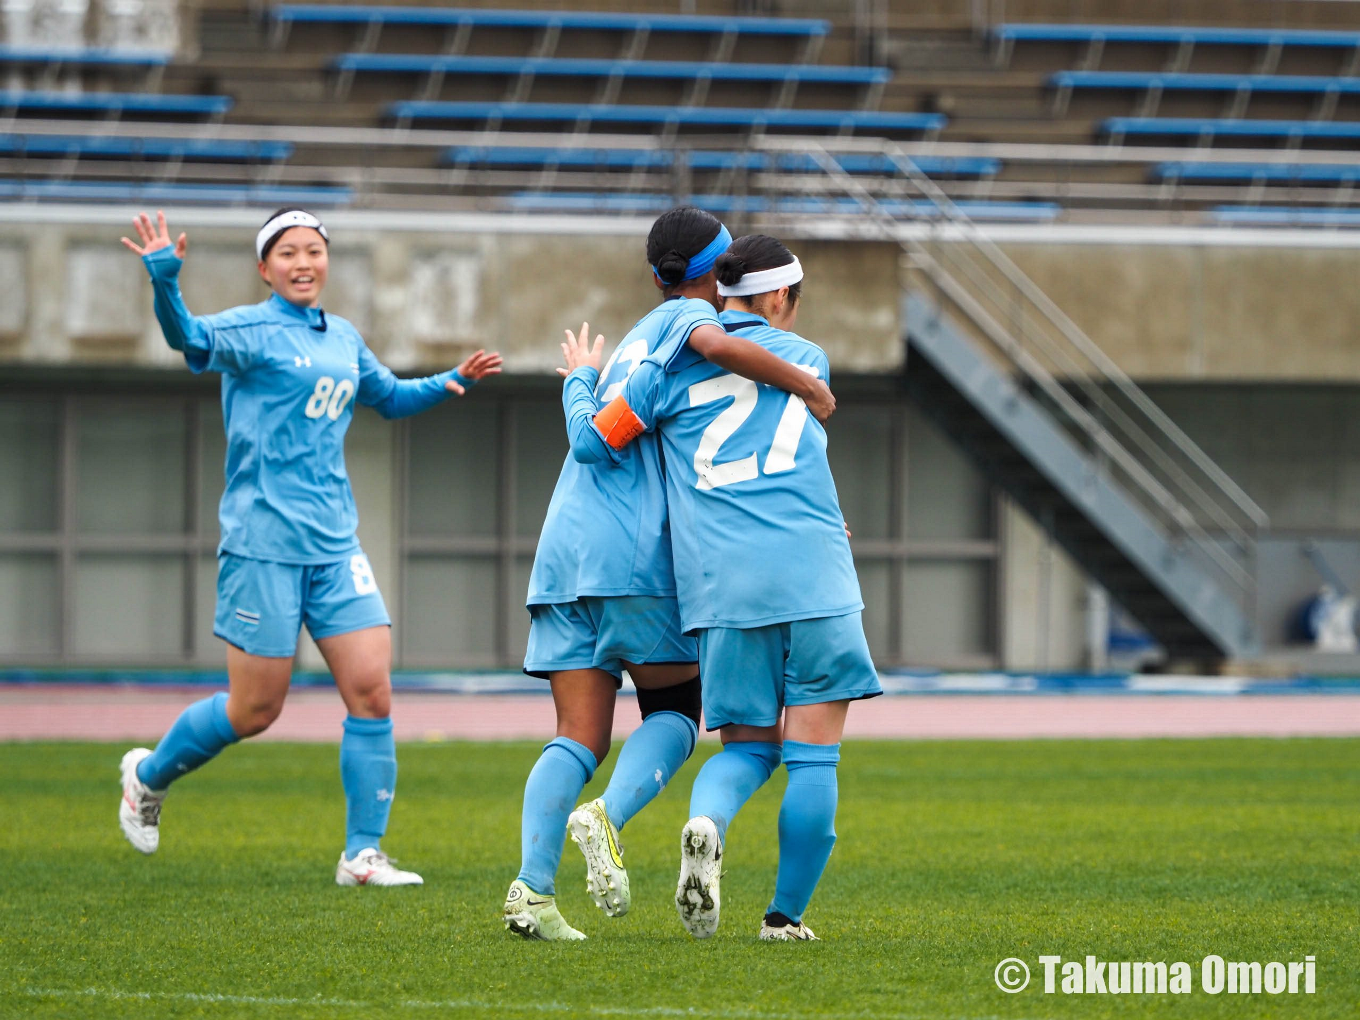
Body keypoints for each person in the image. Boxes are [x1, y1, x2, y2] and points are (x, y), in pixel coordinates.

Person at [116, 208, 502, 886]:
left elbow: (388, 396)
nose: (303, 262)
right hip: (262, 544)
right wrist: (165, 282)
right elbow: (187, 337)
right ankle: (147, 776)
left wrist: (451, 381)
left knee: (372, 691)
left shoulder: (343, 336)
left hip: (334, 546)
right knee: (255, 710)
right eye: (288, 252)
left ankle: (362, 855)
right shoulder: (251, 329)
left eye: (314, 250)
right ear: (264, 269)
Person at [504, 207, 837, 940]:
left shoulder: (634, 340)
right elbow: (699, 380)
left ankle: (532, 892)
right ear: (714, 275)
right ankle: (607, 816)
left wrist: (578, 381)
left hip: (563, 553)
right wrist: (810, 388)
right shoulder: (694, 328)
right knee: (677, 711)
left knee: (577, 736)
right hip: (636, 557)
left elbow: (593, 439)